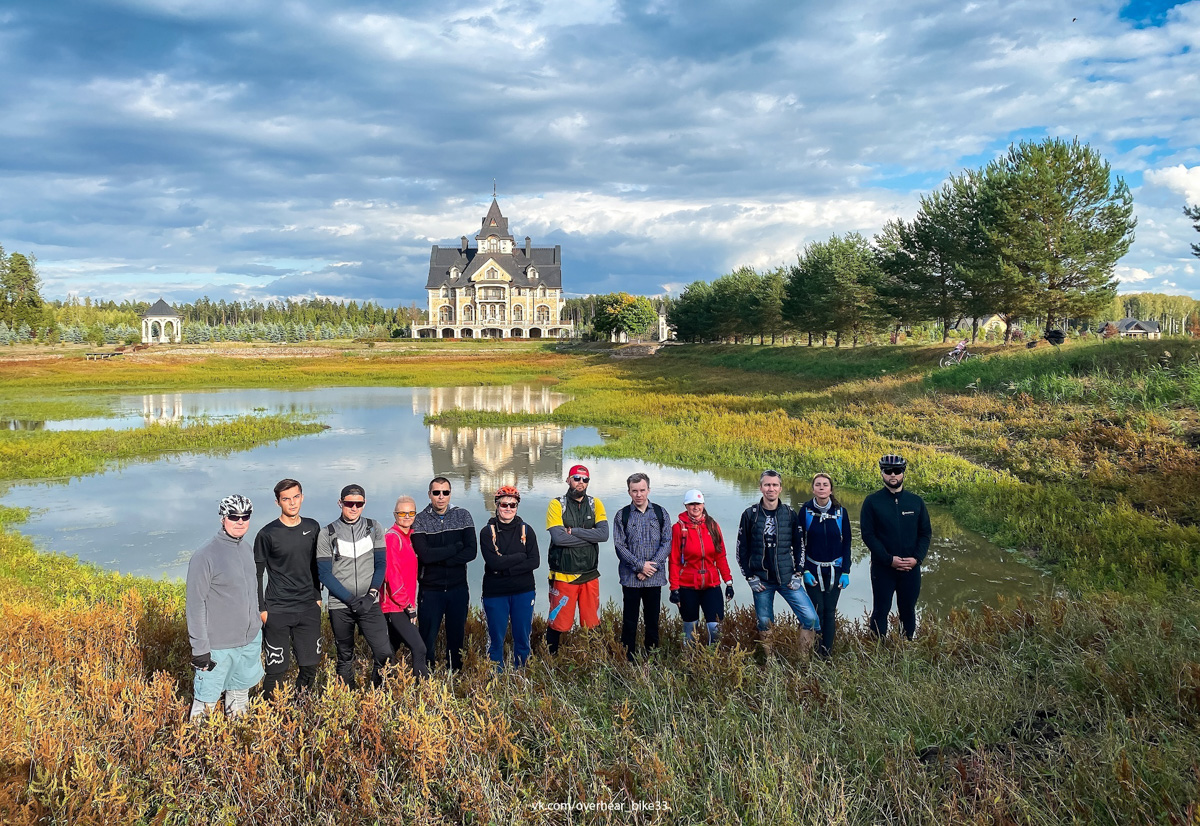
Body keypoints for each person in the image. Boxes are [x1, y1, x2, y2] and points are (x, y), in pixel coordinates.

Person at [186, 494, 264, 720]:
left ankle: (236, 746)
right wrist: (200, 649)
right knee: (206, 703)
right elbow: (195, 604)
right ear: (223, 518)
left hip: (249, 642)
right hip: (217, 646)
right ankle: (197, 749)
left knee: (240, 698)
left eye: (245, 516)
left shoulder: (247, 549)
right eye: (233, 516)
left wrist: (257, 626)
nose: (240, 521)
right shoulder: (205, 555)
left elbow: (252, 593)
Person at [315, 484, 394, 688]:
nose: (354, 508)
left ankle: (376, 697)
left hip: (369, 603)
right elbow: (324, 574)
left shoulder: (373, 527)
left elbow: (381, 564)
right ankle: (348, 699)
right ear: (340, 503)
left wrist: (370, 596)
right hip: (341, 605)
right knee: (345, 656)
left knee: (384, 653)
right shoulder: (327, 533)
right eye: (349, 503)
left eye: (358, 504)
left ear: (364, 504)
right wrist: (350, 600)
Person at [254, 478, 323, 700]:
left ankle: (299, 706)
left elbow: (315, 564)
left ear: (302, 497)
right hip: (277, 609)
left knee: (310, 665)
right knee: (277, 669)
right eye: (286, 499)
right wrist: (261, 609)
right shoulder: (267, 534)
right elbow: (257, 573)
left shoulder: (312, 527)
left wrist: (318, 596)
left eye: (295, 497)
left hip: (308, 608)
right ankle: (270, 713)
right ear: (277, 502)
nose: (292, 503)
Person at [736, 469, 820, 650]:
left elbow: (800, 546)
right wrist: (749, 576)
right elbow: (741, 550)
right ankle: (770, 663)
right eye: (767, 485)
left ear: (781, 488)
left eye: (774, 485)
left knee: (811, 619)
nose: (770, 489)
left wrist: (798, 572)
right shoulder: (749, 514)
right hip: (761, 581)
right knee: (765, 623)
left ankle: (803, 661)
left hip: (787, 578)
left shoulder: (790, 514)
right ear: (760, 487)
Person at [861, 454, 932, 640]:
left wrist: (917, 558)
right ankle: (877, 651)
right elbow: (868, 535)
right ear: (882, 473)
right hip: (883, 568)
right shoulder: (872, 502)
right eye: (888, 471)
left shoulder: (916, 501)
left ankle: (905, 649)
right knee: (880, 610)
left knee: (908, 610)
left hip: (911, 568)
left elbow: (925, 533)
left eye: (897, 471)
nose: (893, 475)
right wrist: (888, 559)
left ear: (903, 472)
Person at [410, 477, 477, 672]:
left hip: (458, 588)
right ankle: (426, 675)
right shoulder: (420, 519)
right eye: (436, 493)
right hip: (431, 590)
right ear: (429, 494)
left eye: (445, 493)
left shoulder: (463, 516)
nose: (441, 497)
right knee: (427, 637)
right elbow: (425, 555)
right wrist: (455, 547)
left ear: (450, 494)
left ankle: (455, 674)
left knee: (456, 636)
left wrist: (442, 560)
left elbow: (471, 551)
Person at [545, 464, 609, 655]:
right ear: (568, 480)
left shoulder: (595, 503)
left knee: (592, 624)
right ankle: (550, 660)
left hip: (590, 574)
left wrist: (575, 531)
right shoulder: (557, 504)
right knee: (558, 624)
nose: (581, 483)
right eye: (576, 478)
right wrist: (590, 536)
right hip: (564, 575)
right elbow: (559, 538)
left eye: (585, 479)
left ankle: (591, 661)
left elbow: (604, 535)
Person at [479, 485, 540, 668]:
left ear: (517, 507)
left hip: (523, 591)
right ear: (496, 506)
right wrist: (520, 557)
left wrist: (505, 568)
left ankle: (521, 674)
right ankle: (494, 676)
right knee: (495, 638)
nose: (508, 509)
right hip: (495, 593)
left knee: (522, 637)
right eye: (504, 504)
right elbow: (493, 563)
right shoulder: (486, 532)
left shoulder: (527, 531)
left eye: (512, 505)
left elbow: (534, 562)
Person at [612, 472, 671, 661]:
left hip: (654, 578)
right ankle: (628, 659)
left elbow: (667, 542)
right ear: (629, 491)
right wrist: (639, 567)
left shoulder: (661, 513)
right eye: (634, 491)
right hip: (631, 579)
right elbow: (620, 546)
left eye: (642, 490)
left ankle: (652, 658)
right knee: (629, 621)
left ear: (649, 490)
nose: (639, 494)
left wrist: (650, 568)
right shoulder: (623, 515)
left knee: (652, 620)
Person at [668, 489, 734, 646]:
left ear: (703, 504)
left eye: (697, 503)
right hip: (687, 586)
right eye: (691, 504)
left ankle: (713, 661)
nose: (695, 507)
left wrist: (728, 582)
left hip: (711, 584)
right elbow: (674, 561)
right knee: (690, 628)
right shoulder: (678, 529)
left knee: (715, 627)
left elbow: (721, 556)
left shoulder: (713, 526)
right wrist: (674, 588)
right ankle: (689, 661)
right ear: (686, 506)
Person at [798, 473, 853, 657]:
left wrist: (846, 571)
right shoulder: (804, 511)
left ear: (831, 489)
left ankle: (825, 655)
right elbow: (799, 543)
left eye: (825, 484)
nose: (822, 487)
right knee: (816, 612)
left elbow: (847, 543)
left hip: (835, 570)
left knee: (829, 612)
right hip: (812, 570)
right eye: (818, 484)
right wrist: (803, 569)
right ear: (812, 488)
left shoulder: (841, 512)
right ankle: (810, 651)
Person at [381, 495, 429, 679]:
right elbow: (392, 575)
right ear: (395, 514)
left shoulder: (408, 537)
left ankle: (380, 689)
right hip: (395, 606)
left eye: (411, 512)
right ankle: (425, 692)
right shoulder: (393, 538)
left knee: (390, 651)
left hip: (402, 605)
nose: (407, 516)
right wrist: (409, 607)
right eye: (402, 512)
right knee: (419, 648)